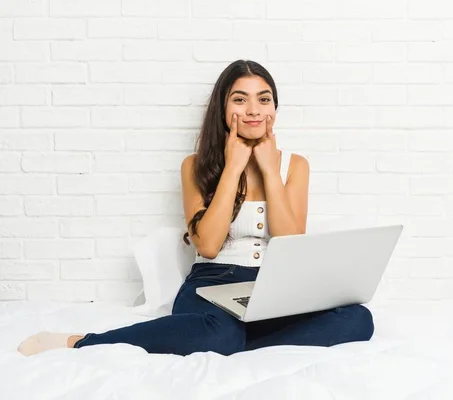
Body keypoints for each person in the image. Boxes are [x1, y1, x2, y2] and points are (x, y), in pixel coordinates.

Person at [17, 60, 374, 357]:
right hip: (212, 285)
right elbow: (208, 245)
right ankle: (81, 341)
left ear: (274, 109)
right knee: (218, 333)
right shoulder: (195, 166)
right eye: (240, 99)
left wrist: (267, 169)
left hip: (275, 286)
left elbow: (290, 241)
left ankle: (238, 344)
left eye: (264, 100)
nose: (253, 110)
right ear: (223, 109)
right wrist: (233, 167)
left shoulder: (294, 166)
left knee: (359, 320)